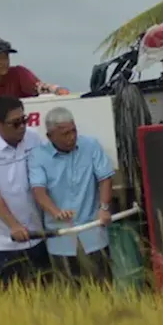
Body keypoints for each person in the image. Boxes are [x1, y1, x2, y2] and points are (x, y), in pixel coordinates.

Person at [30, 106, 116, 285]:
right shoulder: (38, 156)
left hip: (93, 229)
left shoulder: (90, 145)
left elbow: (105, 178)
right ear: (50, 136)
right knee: (69, 292)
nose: (71, 137)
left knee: (103, 286)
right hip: (61, 235)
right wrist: (55, 212)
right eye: (65, 134)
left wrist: (104, 208)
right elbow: (39, 191)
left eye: (73, 131)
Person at [0, 95, 50, 285]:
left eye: (24, 120)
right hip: (1, 239)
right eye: (15, 123)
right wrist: (14, 225)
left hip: (35, 233)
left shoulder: (33, 138)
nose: (22, 126)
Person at [0, 37, 69, 105]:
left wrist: (56, 89)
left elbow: (39, 87)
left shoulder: (19, 73)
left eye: (5, 57)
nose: (3, 62)